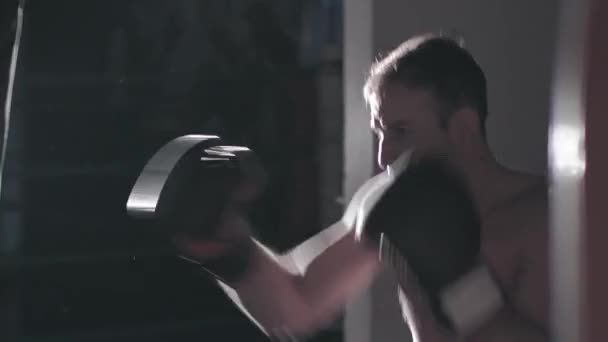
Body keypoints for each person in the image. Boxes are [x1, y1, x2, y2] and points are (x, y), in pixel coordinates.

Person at [173, 33, 549, 341]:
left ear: (463, 127)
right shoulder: (390, 201)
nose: (385, 157)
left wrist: (461, 285)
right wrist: (221, 241)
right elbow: (295, 307)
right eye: (380, 133)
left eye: (402, 131)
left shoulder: (541, 219)